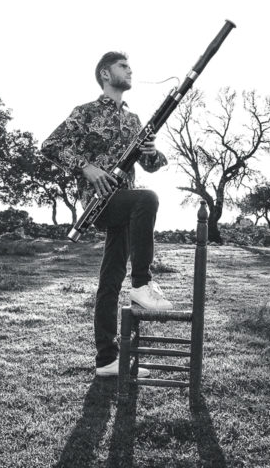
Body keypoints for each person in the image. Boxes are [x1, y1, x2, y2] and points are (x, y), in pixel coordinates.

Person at [41, 51, 173, 377]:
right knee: (149, 199)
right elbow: (50, 145)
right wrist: (87, 168)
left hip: (125, 206)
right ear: (105, 74)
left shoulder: (133, 120)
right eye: (123, 66)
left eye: (130, 67)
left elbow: (151, 166)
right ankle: (142, 283)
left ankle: (107, 361)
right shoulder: (85, 113)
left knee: (110, 282)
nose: (130, 71)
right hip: (99, 203)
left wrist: (152, 153)